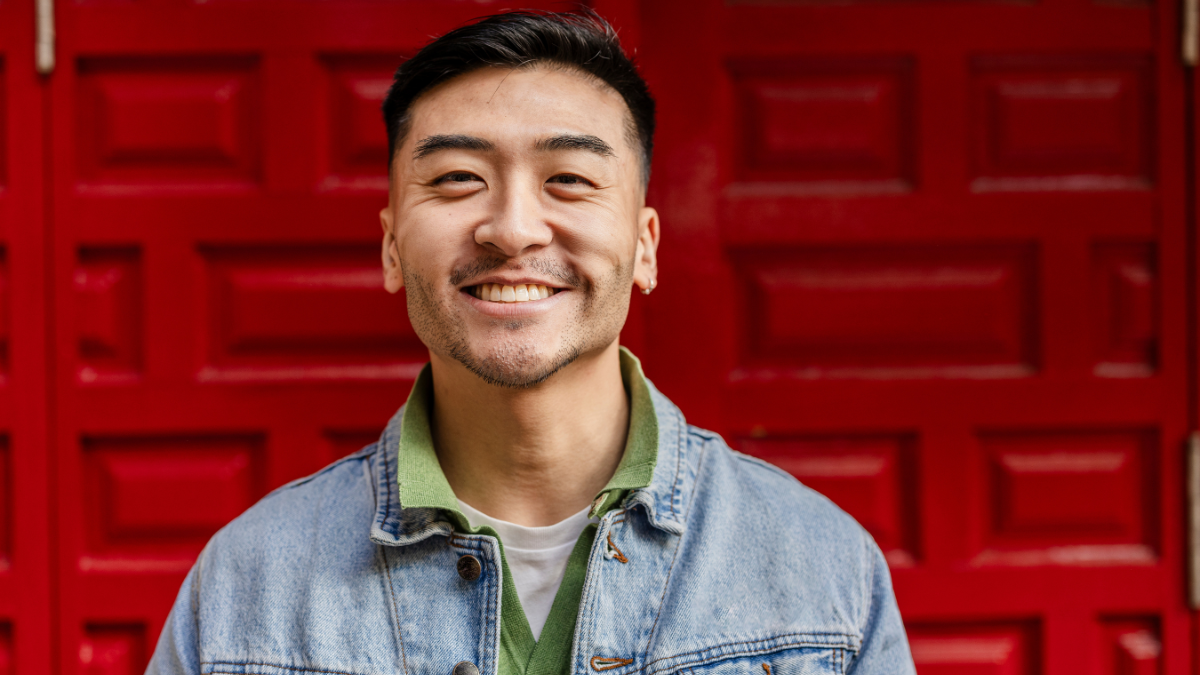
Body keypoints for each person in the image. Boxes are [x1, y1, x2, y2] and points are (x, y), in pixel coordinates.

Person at [146, 11, 916, 675]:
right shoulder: (246, 587)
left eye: (569, 179)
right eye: (456, 178)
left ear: (645, 246)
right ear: (389, 248)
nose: (512, 228)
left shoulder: (819, 568)